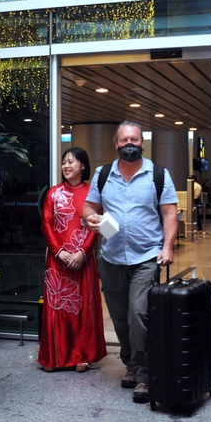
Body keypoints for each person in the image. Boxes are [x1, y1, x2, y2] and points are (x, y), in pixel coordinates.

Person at [82, 121, 178, 404]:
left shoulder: (157, 175)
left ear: (142, 143)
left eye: (134, 140)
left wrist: (168, 246)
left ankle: (146, 374)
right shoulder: (103, 175)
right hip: (111, 258)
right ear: (116, 144)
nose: (129, 145)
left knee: (139, 315)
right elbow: (90, 206)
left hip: (146, 256)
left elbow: (170, 213)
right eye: (124, 140)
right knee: (121, 318)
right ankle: (131, 365)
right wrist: (90, 217)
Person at [38, 147, 107, 372]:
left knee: (82, 307)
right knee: (57, 307)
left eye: (72, 162)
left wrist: (82, 253)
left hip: (82, 258)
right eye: (64, 162)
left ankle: (81, 355)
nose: (67, 166)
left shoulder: (93, 194)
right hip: (57, 260)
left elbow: (97, 226)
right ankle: (54, 357)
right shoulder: (53, 193)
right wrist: (59, 252)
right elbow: (46, 224)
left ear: (83, 166)